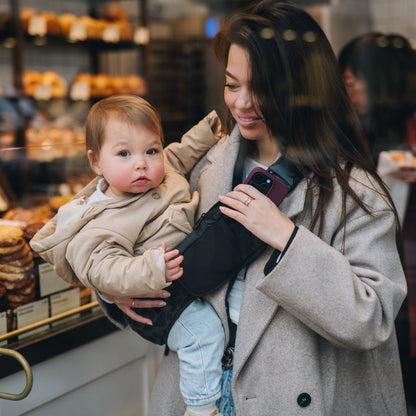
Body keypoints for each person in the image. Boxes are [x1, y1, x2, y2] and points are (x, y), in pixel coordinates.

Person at [99, 2, 407, 415]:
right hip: (199, 391)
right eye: (231, 85)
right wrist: (118, 287)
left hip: (293, 395)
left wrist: (286, 237)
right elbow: (126, 232)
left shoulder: (353, 189)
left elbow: (373, 317)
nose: (241, 103)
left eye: (260, 86)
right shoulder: (203, 167)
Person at [30, 94, 227, 416]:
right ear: (96, 163)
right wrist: (150, 268)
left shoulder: (156, 174)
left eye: (151, 150)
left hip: (178, 276)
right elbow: (104, 269)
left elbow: (178, 155)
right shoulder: (101, 220)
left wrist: (204, 133)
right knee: (203, 332)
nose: (141, 163)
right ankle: (201, 407)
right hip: (157, 298)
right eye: (124, 153)